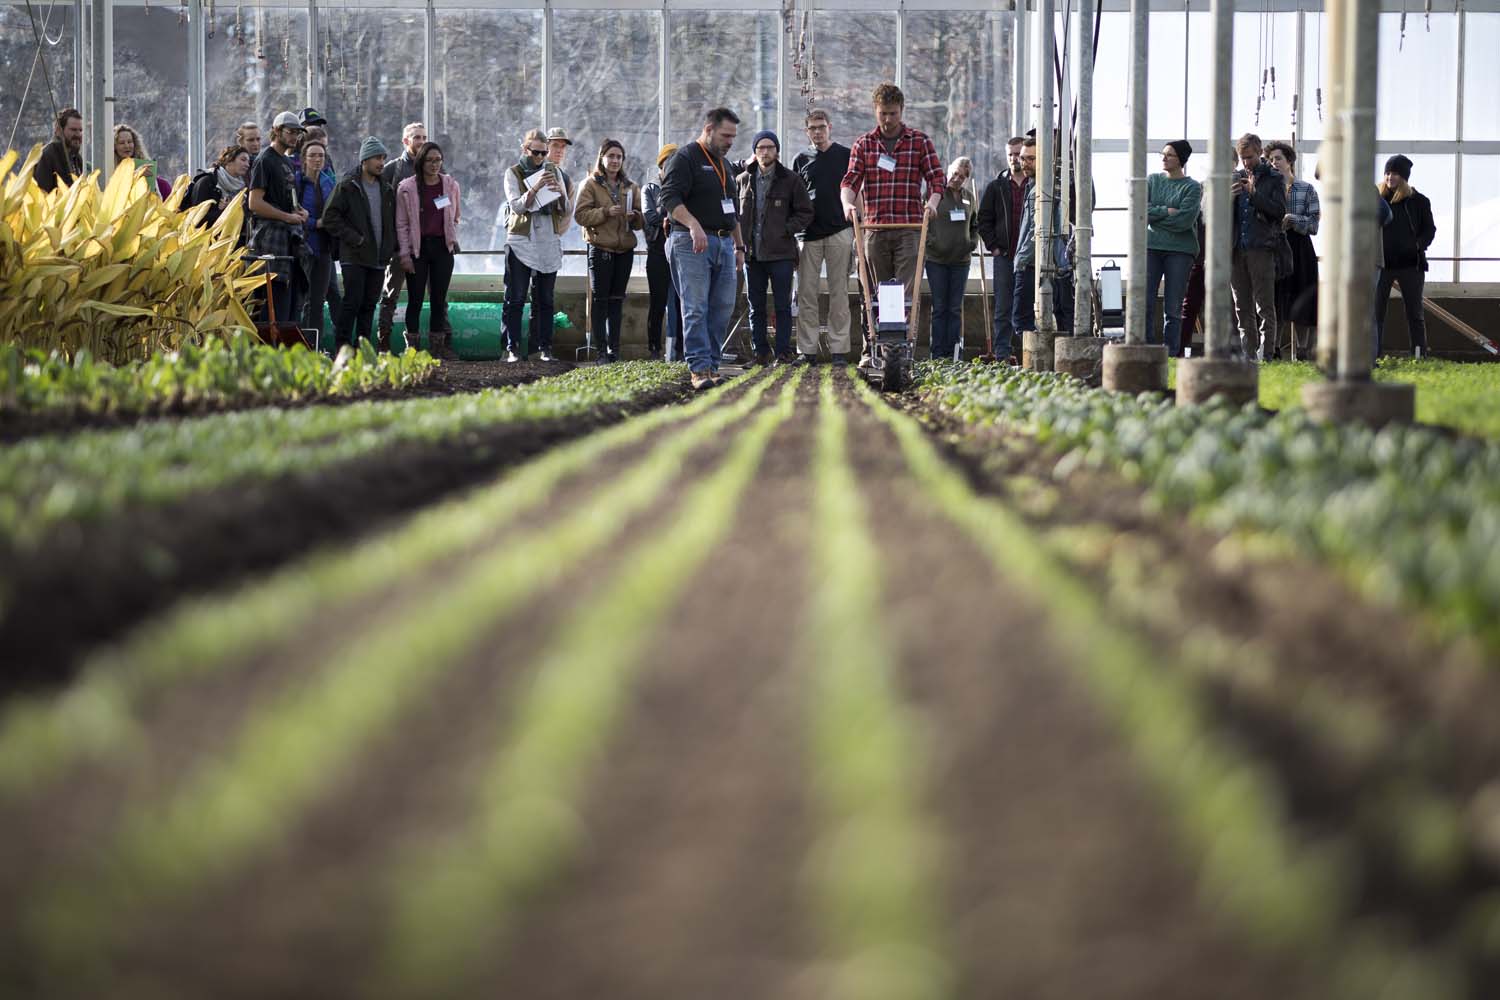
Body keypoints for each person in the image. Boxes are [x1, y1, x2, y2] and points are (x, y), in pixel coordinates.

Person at [840, 82, 945, 363]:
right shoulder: (864, 144)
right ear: (876, 111)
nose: (888, 120)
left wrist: (931, 206)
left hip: (909, 229)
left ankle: (901, 347)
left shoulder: (919, 142)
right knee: (872, 291)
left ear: (902, 111)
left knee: (904, 293)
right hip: (874, 228)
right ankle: (869, 348)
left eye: (893, 114)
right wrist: (848, 203)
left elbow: (937, 179)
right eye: (883, 113)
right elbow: (850, 181)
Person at [661, 107, 745, 390]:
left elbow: (733, 210)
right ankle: (698, 369)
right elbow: (669, 197)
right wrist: (693, 224)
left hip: (723, 242)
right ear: (708, 130)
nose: (730, 141)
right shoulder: (684, 158)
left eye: (733, 136)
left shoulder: (725, 165)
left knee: (722, 307)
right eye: (725, 135)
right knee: (695, 307)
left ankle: (711, 365)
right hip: (690, 242)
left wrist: (740, 246)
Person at [736, 129, 813, 366]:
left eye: (770, 147)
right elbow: (734, 213)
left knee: (782, 306)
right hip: (752, 255)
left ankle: (782, 352)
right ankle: (760, 352)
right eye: (761, 148)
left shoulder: (790, 179)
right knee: (755, 306)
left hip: (781, 254)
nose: (765, 152)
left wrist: (786, 229)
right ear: (754, 151)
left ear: (777, 151)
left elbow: (806, 212)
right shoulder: (743, 180)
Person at [321, 137, 397, 352]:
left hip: (379, 257)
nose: (381, 162)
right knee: (352, 302)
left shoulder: (387, 189)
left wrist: (390, 247)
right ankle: (342, 347)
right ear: (364, 160)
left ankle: (363, 348)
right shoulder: (347, 186)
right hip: (354, 256)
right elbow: (330, 217)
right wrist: (355, 239)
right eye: (376, 158)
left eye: (383, 158)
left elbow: (390, 222)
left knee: (369, 305)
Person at [502, 128, 571, 363]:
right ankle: (512, 348)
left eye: (543, 153)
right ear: (525, 149)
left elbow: (566, 209)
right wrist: (535, 187)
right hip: (521, 240)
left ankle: (545, 348)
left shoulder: (554, 171)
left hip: (547, 241)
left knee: (545, 299)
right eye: (536, 153)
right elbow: (517, 207)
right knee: (516, 298)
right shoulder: (513, 173)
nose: (540, 158)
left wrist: (560, 193)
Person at [792, 110, 855, 364]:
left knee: (839, 292)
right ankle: (807, 351)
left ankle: (839, 350)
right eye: (812, 128)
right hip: (808, 235)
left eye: (821, 127)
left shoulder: (845, 156)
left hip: (840, 231)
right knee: (806, 293)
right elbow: (795, 197)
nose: (817, 132)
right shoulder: (800, 159)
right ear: (806, 132)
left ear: (830, 127)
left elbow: (856, 190)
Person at [575, 139, 645, 363]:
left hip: (624, 250)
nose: (615, 161)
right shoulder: (590, 185)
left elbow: (641, 221)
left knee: (617, 300)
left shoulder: (631, 187)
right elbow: (580, 215)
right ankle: (601, 351)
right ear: (602, 158)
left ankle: (615, 349)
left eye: (619, 157)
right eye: (611, 156)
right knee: (600, 300)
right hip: (600, 248)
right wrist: (605, 212)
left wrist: (635, 217)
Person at [396, 141, 461, 360]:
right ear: (420, 161)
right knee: (415, 298)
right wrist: (405, 253)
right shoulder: (407, 187)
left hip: (442, 248)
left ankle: (437, 347)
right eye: (429, 160)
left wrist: (451, 236)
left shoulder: (450, 185)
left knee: (439, 299)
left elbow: (455, 215)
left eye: (438, 160)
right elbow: (402, 224)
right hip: (418, 249)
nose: (434, 165)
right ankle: (412, 347)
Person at [246, 110, 309, 324]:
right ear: (276, 131)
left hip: (287, 238)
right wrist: (286, 217)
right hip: (269, 240)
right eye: (290, 132)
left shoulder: (287, 161)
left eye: (297, 133)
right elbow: (254, 203)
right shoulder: (265, 160)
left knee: (288, 306)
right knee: (271, 308)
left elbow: (286, 199)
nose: (294, 137)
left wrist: (299, 211)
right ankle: (264, 353)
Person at [1229, 132, 1287, 361]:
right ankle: (1248, 355)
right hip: (1237, 249)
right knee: (1242, 307)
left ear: (1260, 152)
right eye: (1242, 158)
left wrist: (1253, 195)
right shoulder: (1236, 177)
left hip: (1261, 248)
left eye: (1250, 157)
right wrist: (1228, 197)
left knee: (1264, 305)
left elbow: (1279, 212)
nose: (1246, 163)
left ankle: (1267, 355)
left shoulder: (1274, 178)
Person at [1012, 136, 1074, 340]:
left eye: (1030, 159)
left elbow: (1036, 230)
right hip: (1046, 261)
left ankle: (1043, 364)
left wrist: (1021, 259)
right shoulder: (1034, 187)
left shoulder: (1052, 189)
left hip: (1047, 262)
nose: (1024, 163)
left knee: (1026, 318)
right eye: (1023, 158)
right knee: (1029, 318)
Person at [1144, 140, 1202, 357]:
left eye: (1170, 155)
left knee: (1173, 306)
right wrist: (1167, 211)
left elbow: (1185, 221)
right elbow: (1141, 211)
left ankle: (1171, 354)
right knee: (1146, 300)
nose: (1164, 158)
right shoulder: (1152, 180)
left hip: (1180, 251)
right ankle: (1149, 351)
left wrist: (1155, 216)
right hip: (1151, 247)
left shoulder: (1192, 187)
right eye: (1164, 153)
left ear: (1181, 160)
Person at [1375, 154, 1437, 358]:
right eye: (1387, 173)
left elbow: (1430, 230)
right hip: (1381, 264)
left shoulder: (1418, 201)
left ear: (1404, 177)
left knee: (1414, 313)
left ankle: (1419, 355)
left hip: (1411, 265)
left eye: (1394, 173)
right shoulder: (1377, 199)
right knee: (1376, 313)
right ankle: (1374, 355)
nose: (1389, 177)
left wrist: (1416, 245)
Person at [1264, 141, 1319, 360]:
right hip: (1274, 246)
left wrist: (1293, 220)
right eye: (1270, 160)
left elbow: (1314, 224)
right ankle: (1274, 347)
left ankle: (1303, 350)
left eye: (1278, 158)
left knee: (1302, 296)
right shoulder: (1265, 188)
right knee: (1276, 297)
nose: (1273, 163)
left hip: (1300, 246)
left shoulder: (1306, 189)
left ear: (1289, 161)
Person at [375, 122, 427, 351]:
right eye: (417, 137)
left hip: (426, 245)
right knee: (390, 295)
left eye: (424, 137)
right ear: (405, 141)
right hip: (397, 246)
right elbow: (380, 206)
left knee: (434, 295)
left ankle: (437, 343)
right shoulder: (392, 170)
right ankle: (383, 342)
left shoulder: (433, 167)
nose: (421, 141)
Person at [976, 136, 1027, 361]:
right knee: (1003, 307)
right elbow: (983, 219)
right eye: (1011, 155)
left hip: (1029, 257)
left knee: (1027, 306)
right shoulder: (996, 186)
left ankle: (1029, 352)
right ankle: (1003, 353)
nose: (1015, 159)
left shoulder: (1035, 185)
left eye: (1018, 154)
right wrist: (994, 247)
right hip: (1005, 256)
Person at [924, 157, 978, 361]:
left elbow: (975, 224)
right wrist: (932, 242)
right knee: (939, 307)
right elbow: (924, 223)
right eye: (954, 173)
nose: (956, 179)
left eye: (962, 176)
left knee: (955, 307)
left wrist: (972, 243)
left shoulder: (969, 198)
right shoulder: (935, 195)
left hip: (961, 261)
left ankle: (954, 353)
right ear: (948, 171)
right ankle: (937, 353)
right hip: (936, 259)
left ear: (966, 179)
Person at [295, 140, 337, 348]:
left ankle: (314, 346)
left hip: (323, 249)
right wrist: (314, 222)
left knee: (317, 302)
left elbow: (334, 214)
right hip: (302, 249)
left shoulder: (328, 183)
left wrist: (317, 222)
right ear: (304, 159)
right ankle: (297, 345)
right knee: (300, 300)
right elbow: (295, 215)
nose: (317, 159)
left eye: (321, 155)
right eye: (312, 155)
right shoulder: (297, 182)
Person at [643, 143, 682, 360]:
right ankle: (654, 348)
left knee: (680, 300)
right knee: (657, 301)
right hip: (658, 250)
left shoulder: (684, 186)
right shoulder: (650, 189)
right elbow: (650, 216)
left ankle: (680, 349)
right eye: (668, 163)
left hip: (679, 248)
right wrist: (671, 216)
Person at [186, 144, 251, 237]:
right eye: (243, 160)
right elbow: (197, 219)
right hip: (207, 243)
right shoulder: (206, 182)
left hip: (235, 243)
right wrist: (225, 211)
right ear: (229, 160)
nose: (247, 164)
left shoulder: (244, 188)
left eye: (248, 161)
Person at [111, 124, 172, 198]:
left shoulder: (162, 184)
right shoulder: (109, 171)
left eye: (129, 142)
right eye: (121, 143)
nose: (127, 146)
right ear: (114, 147)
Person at [33, 108, 83, 193]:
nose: (78, 134)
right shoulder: (47, 156)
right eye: (73, 130)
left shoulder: (77, 158)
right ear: (59, 130)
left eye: (80, 130)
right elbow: (42, 193)